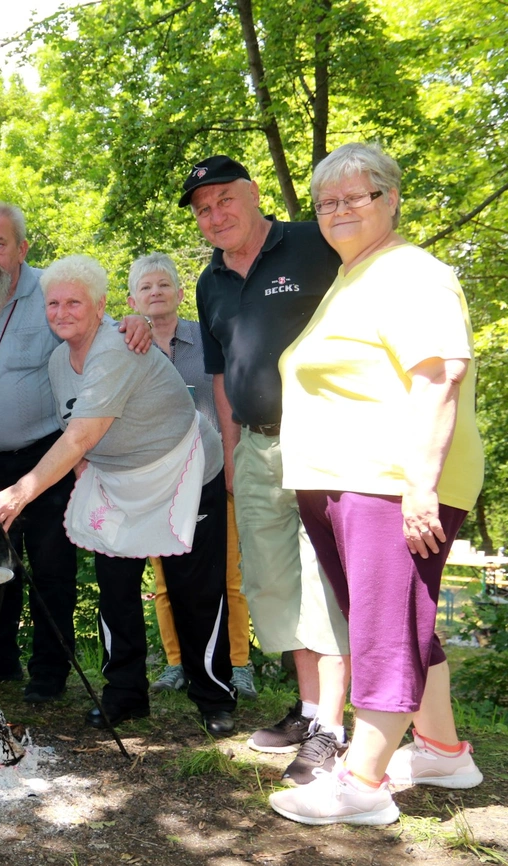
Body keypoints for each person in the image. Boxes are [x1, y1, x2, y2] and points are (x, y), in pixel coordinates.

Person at [269, 143, 484, 825]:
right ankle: (444, 750)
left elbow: (437, 375)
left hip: (388, 482)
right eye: (326, 202)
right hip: (342, 480)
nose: (338, 212)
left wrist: (419, 485)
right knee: (401, 625)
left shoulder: (410, 272)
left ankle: (362, 784)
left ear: (391, 198)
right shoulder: (354, 277)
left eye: (354, 197)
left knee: (386, 629)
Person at [0, 254, 235, 734]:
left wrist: (20, 492)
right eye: (53, 303)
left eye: (74, 302)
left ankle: (214, 696)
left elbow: (80, 434)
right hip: (118, 479)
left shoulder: (116, 347)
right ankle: (124, 694)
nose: (62, 312)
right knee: (116, 590)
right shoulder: (60, 360)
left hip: (184, 469)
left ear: (101, 307)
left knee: (194, 590)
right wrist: (85, 477)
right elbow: (75, 433)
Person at [0, 202, 151, 702]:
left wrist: (138, 321)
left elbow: (101, 326)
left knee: (51, 568)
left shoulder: (48, 292)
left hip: (48, 455)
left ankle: (50, 670)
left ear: (21, 248)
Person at [183, 155, 351, 784]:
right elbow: (221, 373)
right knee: (274, 581)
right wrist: (230, 454)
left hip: (325, 442)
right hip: (254, 448)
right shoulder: (211, 283)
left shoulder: (315, 242)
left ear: (254, 195)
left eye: (225, 199)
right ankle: (309, 709)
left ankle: (332, 728)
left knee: (321, 580)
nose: (215, 214)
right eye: (203, 209)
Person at [126, 252, 256, 700]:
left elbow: (231, 397)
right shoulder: (127, 346)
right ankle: (178, 662)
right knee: (164, 580)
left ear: (181, 294)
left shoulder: (208, 340)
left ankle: (237, 664)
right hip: (158, 479)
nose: (156, 293)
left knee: (227, 575)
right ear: (132, 298)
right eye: (146, 287)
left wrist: (234, 458)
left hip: (214, 470)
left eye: (164, 285)